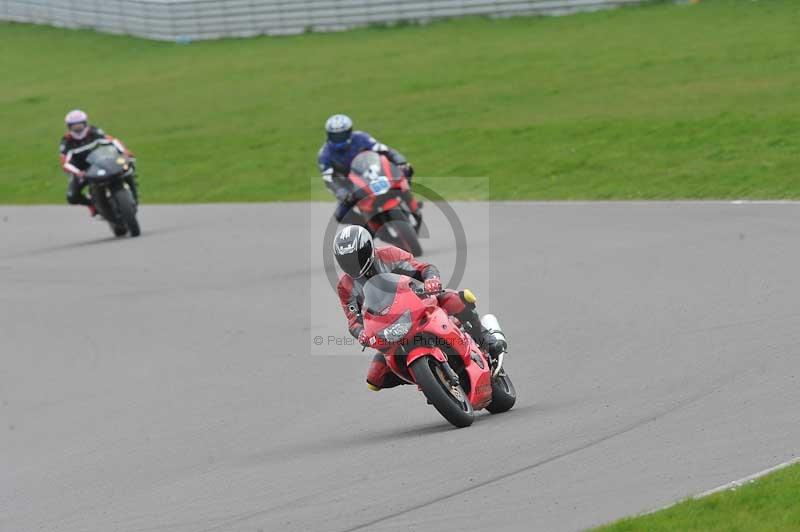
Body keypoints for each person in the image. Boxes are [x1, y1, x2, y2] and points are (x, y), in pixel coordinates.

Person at [332, 225, 505, 390]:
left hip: (415, 303)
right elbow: (353, 319)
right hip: (387, 328)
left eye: (357, 256)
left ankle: (484, 337)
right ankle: (427, 378)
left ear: (368, 249)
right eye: (346, 260)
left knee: (457, 298)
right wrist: (361, 333)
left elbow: (424, 268)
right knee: (375, 379)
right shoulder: (345, 286)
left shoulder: (389, 255)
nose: (352, 263)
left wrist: (431, 280)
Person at [318, 114, 421, 226]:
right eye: (335, 136)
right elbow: (329, 179)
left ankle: (410, 201)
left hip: (373, 173)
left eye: (342, 135)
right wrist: (342, 192)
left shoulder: (361, 137)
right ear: (328, 135)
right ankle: (366, 225)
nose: (339, 139)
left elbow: (385, 150)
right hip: (351, 186)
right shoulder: (324, 154)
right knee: (340, 215)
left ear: (349, 132)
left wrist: (401, 162)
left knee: (407, 170)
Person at [59, 109, 137, 216]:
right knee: (72, 196)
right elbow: (65, 162)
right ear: (69, 127)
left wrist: (125, 152)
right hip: (81, 170)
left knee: (128, 167)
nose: (78, 129)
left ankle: (133, 192)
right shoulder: (66, 141)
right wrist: (78, 173)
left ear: (85, 123)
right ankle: (92, 204)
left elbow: (112, 141)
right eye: (74, 126)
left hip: (98, 163)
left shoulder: (94, 131)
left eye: (80, 125)